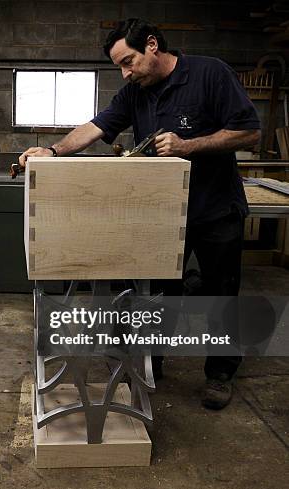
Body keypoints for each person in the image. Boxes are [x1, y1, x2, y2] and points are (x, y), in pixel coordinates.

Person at [19, 18, 261, 410]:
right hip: (162, 213)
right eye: (119, 66)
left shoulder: (210, 73)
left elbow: (249, 132)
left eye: (128, 61)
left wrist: (190, 145)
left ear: (152, 45)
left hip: (215, 209)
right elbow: (99, 125)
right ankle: (152, 362)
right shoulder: (136, 91)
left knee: (221, 293)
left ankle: (220, 373)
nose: (125, 72)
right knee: (156, 292)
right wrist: (54, 151)